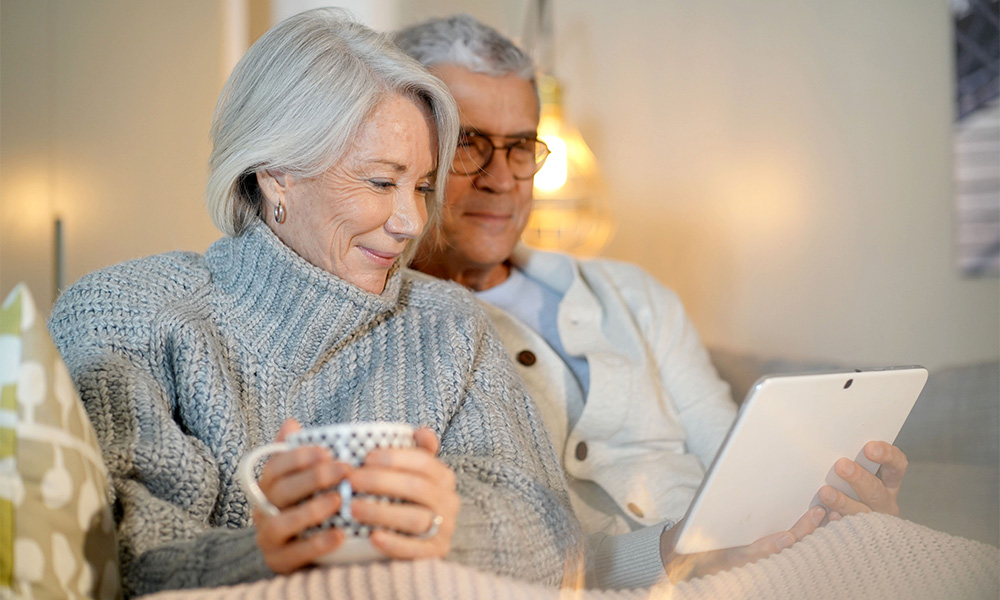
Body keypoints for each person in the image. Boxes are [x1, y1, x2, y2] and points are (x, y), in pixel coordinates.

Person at [47, 9, 582, 597]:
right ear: (277, 174)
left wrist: (452, 529)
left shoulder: (449, 324)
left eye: (423, 187)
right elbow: (119, 557)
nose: (410, 223)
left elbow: (554, 537)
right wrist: (259, 555)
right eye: (381, 182)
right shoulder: (124, 315)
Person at [395, 14, 911, 588]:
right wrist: (674, 557)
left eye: (519, 147)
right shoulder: (400, 329)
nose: (502, 179)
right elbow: (491, 552)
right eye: (469, 143)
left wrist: (836, 503)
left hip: (761, 564)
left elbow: (730, 455)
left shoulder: (633, 294)